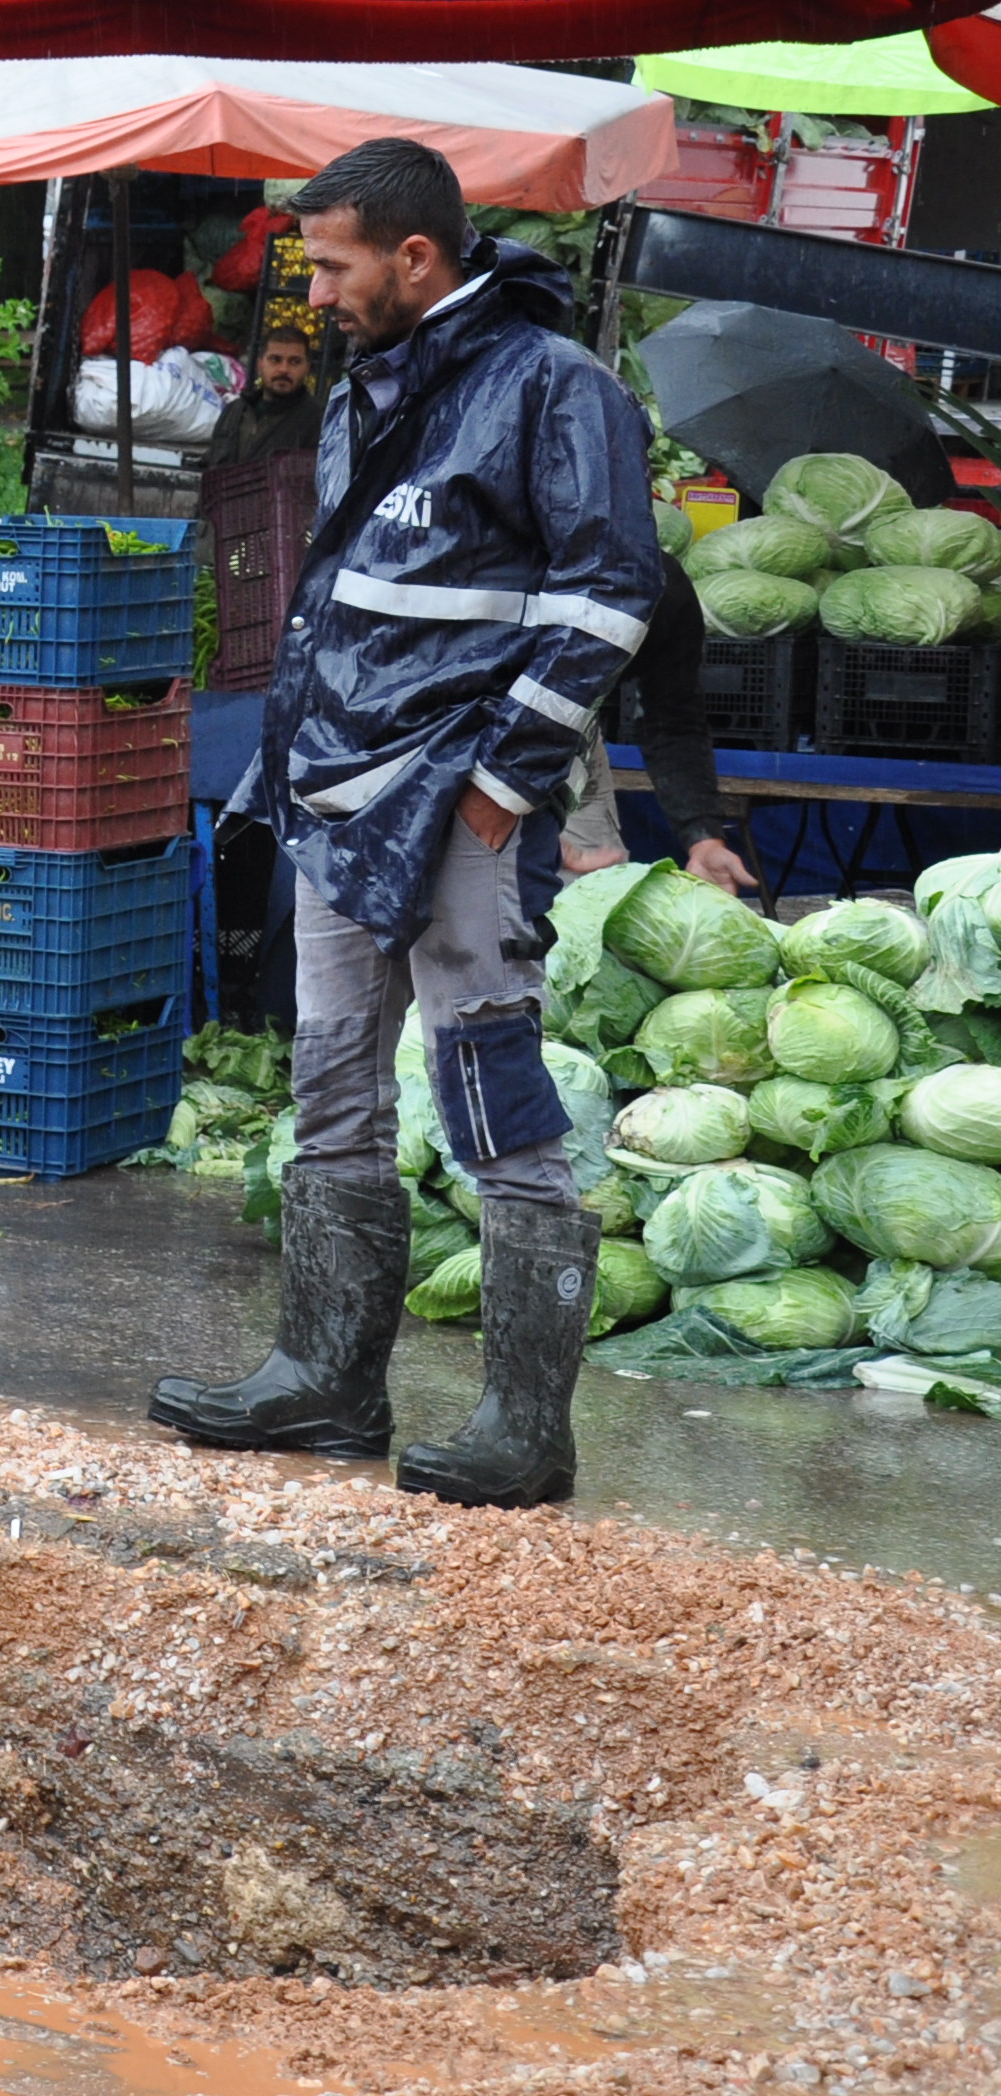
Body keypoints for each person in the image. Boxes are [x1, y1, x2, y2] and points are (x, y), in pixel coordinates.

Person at [155, 137, 662, 1511]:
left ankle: (524, 1426)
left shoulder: (557, 386)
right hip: (332, 797)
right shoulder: (366, 386)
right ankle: (323, 1379)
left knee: (495, 1096)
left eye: (331, 265)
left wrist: (505, 783)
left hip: (459, 810)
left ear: (415, 258)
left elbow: (613, 589)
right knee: (328, 1088)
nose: (312, 295)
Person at [559, 553, 762, 899]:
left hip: (571, 725)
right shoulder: (517, 575)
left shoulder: (666, 588)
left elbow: (673, 720)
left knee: (589, 899)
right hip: (456, 718)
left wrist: (704, 838)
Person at [206, 320, 323, 470]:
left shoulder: (318, 420)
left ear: (307, 368)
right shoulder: (234, 412)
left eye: (294, 362)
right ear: (260, 364)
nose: (283, 369)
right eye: (275, 360)